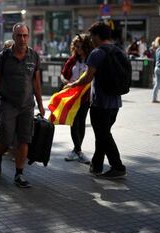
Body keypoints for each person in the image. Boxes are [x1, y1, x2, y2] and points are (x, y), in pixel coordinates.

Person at [64, 21, 127, 179]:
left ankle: (117, 167)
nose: (90, 39)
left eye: (92, 36)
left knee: (104, 135)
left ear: (98, 36)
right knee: (102, 133)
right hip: (115, 102)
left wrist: (72, 84)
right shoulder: (118, 51)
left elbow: (87, 77)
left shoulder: (97, 53)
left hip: (100, 102)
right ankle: (97, 165)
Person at [0, 22, 45, 188]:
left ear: (29, 36)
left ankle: (19, 174)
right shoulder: (4, 56)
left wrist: (41, 105)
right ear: (13, 37)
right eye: (19, 35)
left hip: (27, 105)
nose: (22, 38)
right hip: (8, 104)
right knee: (6, 139)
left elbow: (36, 83)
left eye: (25, 35)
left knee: (24, 140)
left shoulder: (34, 56)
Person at [60, 34, 93, 164]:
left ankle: (76, 150)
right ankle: (78, 151)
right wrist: (66, 81)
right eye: (76, 46)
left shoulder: (91, 59)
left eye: (80, 46)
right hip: (72, 95)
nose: (78, 49)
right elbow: (63, 74)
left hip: (85, 96)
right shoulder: (72, 60)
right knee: (73, 121)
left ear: (86, 46)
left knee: (81, 121)